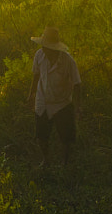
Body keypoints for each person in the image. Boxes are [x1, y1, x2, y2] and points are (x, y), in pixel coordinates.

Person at [28, 27, 82, 167]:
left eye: (48, 47)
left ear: (55, 48)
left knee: (66, 136)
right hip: (43, 100)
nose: (45, 49)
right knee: (41, 134)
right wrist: (31, 95)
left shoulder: (68, 61)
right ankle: (45, 160)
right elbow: (36, 76)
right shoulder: (39, 55)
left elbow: (77, 84)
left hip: (62, 102)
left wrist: (77, 106)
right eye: (44, 47)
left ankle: (64, 162)